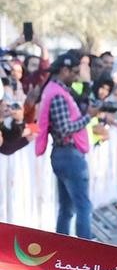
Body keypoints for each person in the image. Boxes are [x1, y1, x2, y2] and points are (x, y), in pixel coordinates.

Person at [36, 50, 101, 239]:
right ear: (64, 70)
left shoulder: (57, 91)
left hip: (64, 154)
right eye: (74, 72)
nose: (76, 77)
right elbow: (64, 128)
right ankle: (84, 250)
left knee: (66, 208)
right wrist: (89, 117)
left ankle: (62, 250)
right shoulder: (57, 94)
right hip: (69, 154)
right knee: (82, 206)